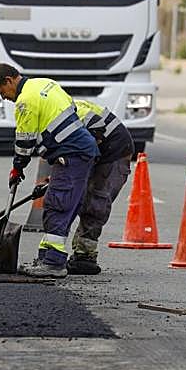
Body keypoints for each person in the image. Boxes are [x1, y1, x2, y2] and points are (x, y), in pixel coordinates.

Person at [0, 63, 98, 278]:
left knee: (57, 205)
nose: (4, 98)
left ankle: (54, 264)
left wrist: (17, 167)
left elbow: (24, 142)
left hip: (71, 155)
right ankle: (46, 257)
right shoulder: (44, 83)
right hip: (79, 152)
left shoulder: (25, 102)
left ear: (9, 81)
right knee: (62, 205)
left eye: (1, 92)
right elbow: (72, 109)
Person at [67, 98, 136, 275]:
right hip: (100, 148)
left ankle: (85, 256)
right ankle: (79, 251)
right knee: (81, 199)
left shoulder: (70, 113)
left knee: (96, 202)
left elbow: (96, 130)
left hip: (115, 151)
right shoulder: (62, 110)